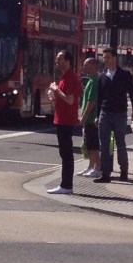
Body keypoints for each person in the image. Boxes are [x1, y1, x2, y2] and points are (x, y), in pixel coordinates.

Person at [94, 47, 133, 184]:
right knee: (104, 144)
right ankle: (105, 173)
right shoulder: (102, 76)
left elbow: (132, 93)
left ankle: (124, 170)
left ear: (114, 58)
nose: (105, 60)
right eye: (104, 58)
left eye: (107, 57)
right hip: (105, 113)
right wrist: (97, 115)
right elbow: (99, 98)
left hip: (120, 114)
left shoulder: (125, 75)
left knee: (120, 143)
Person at [47, 50, 81, 195]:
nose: (57, 61)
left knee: (66, 153)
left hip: (66, 120)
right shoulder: (63, 77)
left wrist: (56, 89)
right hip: (61, 118)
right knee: (64, 152)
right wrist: (53, 97)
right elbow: (63, 99)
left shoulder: (70, 78)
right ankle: (65, 184)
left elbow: (70, 100)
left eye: (60, 59)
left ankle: (66, 185)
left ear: (68, 61)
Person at [77, 56, 101, 178]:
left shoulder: (94, 81)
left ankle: (97, 168)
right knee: (89, 144)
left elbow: (91, 102)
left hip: (91, 119)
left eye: (86, 65)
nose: (84, 67)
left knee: (94, 145)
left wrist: (84, 116)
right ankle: (91, 167)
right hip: (89, 119)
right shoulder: (90, 80)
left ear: (94, 67)